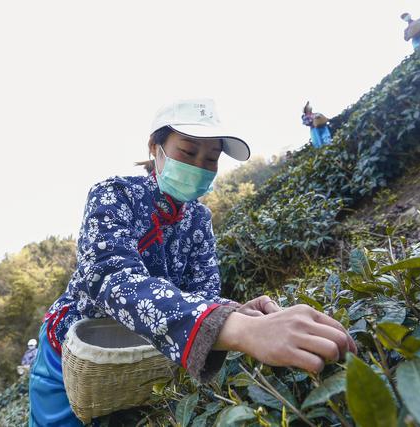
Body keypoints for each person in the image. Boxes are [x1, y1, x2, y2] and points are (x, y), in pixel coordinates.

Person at [29, 98, 356, 426]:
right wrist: (240, 329)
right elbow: (111, 278)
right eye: (188, 152)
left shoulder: (198, 218)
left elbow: (203, 295)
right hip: (76, 352)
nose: (199, 166)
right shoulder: (114, 195)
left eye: (211, 158)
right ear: (155, 148)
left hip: (144, 356)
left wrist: (236, 312)